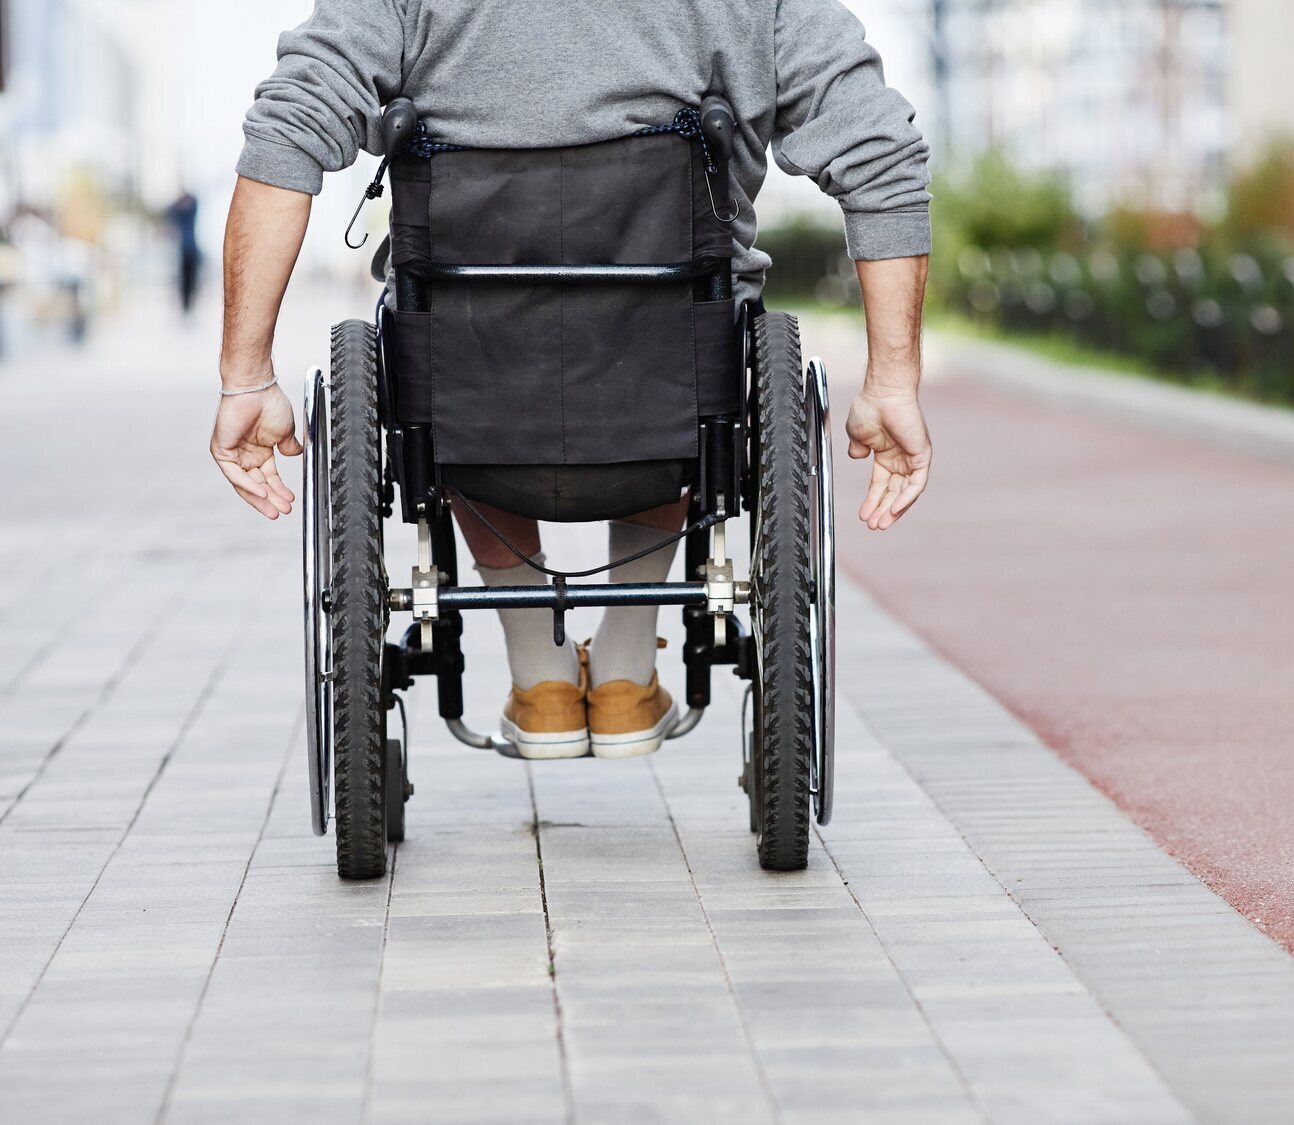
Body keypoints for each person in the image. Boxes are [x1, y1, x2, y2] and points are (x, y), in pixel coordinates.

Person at [212, 0, 933, 760]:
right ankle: (624, 673)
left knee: (455, 340)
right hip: (674, 397)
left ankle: (542, 677)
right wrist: (892, 382)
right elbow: (882, 151)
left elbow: (287, 131)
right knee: (675, 334)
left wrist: (245, 375)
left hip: (468, 404)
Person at [165, 191, 202, 316]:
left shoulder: (190, 209)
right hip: (183, 250)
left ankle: (189, 305)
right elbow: (170, 211)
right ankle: (186, 306)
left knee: (191, 279)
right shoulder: (180, 212)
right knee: (185, 279)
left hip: (191, 248)